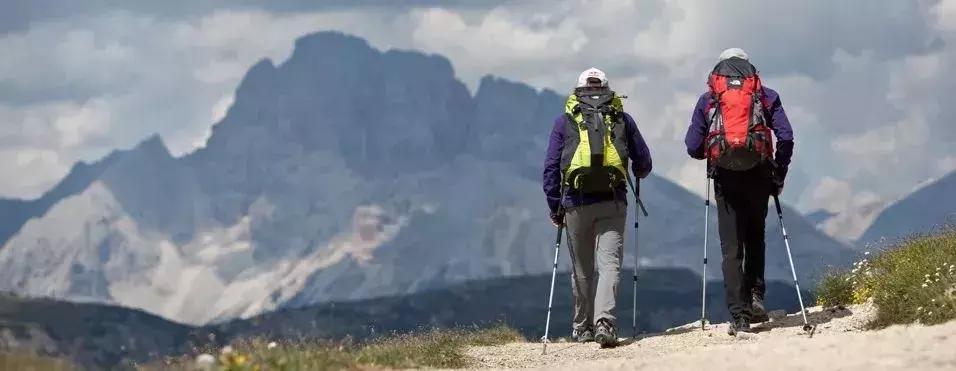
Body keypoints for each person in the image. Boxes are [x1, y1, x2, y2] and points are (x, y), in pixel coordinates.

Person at [684, 48, 794, 335]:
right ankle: (756, 296)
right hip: (759, 173)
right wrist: (778, 172)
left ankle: (739, 316)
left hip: (726, 177)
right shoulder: (765, 95)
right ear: (749, 71)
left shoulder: (709, 99)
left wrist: (715, 150)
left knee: (731, 247)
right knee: (756, 236)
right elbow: (786, 136)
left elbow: (693, 146)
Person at [542, 67, 652, 346]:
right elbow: (644, 163)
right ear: (607, 90)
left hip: (576, 204)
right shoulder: (622, 119)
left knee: (582, 268)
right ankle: (606, 323)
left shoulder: (564, 121)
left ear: (577, 92)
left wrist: (556, 207)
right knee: (610, 264)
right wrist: (637, 171)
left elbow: (551, 169)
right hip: (612, 201)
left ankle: (582, 328)